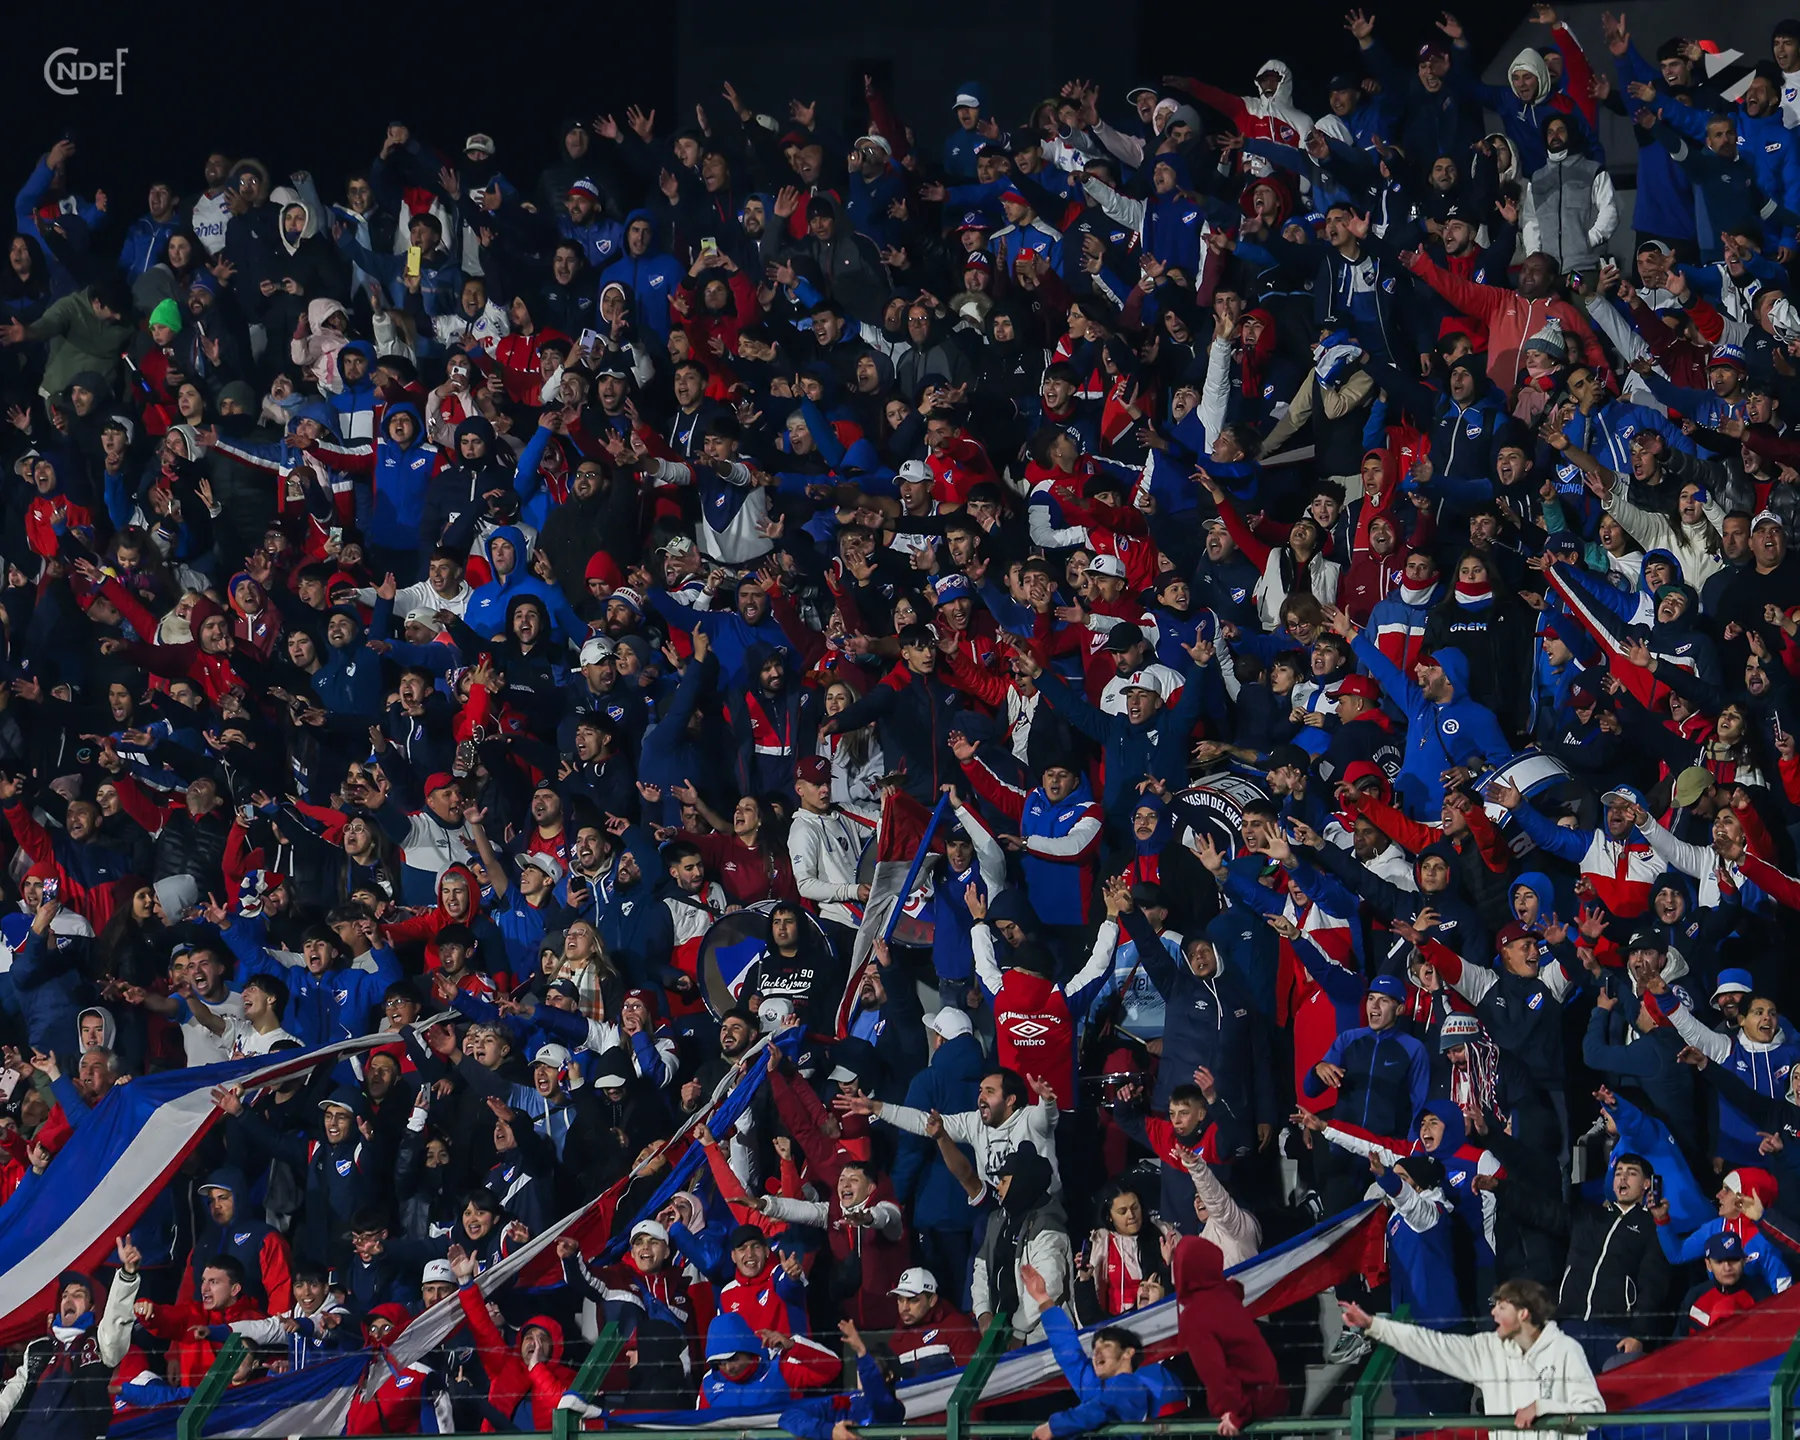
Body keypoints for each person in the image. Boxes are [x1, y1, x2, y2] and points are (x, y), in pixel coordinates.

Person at [1338, 1278, 1603, 1435]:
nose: (1493, 1313)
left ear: (1523, 1314)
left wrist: (1543, 1408)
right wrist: (1373, 1325)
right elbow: (1430, 1344)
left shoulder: (1565, 1350)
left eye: (1502, 1308)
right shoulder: (1487, 1349)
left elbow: (1593, 1413)